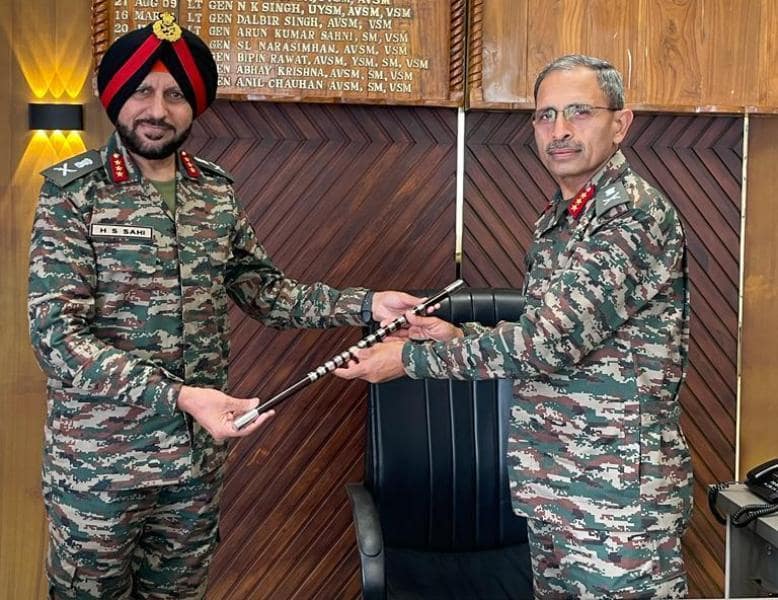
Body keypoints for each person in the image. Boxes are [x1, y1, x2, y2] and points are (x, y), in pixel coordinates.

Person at [27, 13, 420, 599]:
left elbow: (265, 292)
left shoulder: (214, 190)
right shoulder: (72, 191)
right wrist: (179, 395)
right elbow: (56, 335)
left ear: (194, 107)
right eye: (142, 91)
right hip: (100, 468)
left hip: (193, 465)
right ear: (115, 97)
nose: (157, 109)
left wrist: (368, 305)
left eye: (175, 94)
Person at [336, 54, 693, 599]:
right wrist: (458, 338)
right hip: (555, 487)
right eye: (546, 116)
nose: (560, 131)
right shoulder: (561, 218)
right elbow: (552, 333)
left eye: (579, 112)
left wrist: (408, 361)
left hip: (619, 504)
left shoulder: (630, 215)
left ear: (620, 123)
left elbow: (547, 343)